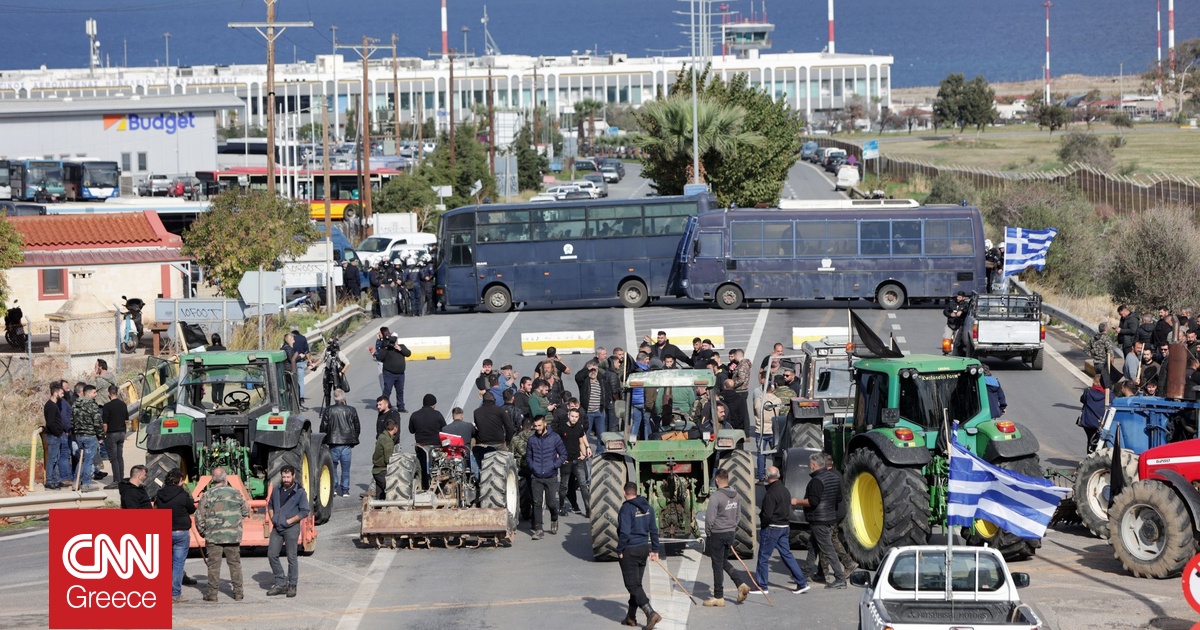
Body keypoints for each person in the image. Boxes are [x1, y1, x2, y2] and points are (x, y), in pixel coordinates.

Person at [751, 466, 810, 595]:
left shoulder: (770, 494)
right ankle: (802, 582)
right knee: (787, 555)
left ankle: (762, 585)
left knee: (763, 557)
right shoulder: (785, 490)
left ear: (767, 477)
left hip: (772, 528)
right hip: (784, 527)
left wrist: (764, 525)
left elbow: (766, 515)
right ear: (778, 476)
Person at [793, 453, 847, 589]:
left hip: (819, 520)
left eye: (809, 464)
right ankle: (804, 574)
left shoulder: (816, 481)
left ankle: (840, 578)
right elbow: (839, 498)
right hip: (829, 518)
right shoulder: (834, 477)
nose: (808, 467)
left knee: (828, 550)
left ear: (814, 465)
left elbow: (813, 501)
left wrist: (797, 501)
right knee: (813, 547)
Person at [197, 467, 250, 602]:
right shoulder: (236, 493)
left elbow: (199, 516)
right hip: (232, 536)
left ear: (212, 480)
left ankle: (212, 594)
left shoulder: (207, 495)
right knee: (235, 565)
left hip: (213, 537)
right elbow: (246, 511)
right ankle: (238, 593)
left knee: (213, 566)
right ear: (225, 478)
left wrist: (204, 532)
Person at [616, 481, 663, 629]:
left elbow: (624, 532)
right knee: (637, 584)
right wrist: (655, 550)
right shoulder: (647, 507)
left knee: (632, 585)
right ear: (636, 492)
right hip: (643, 549)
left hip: (630, 549)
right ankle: (631, 617)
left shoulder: (626, 509)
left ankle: (650, 613)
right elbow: (654, 530)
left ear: (625, 493)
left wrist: (620, 549)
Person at [702, 468, 751, 607]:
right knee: (722, 561)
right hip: (730, 533)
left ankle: (718, 596)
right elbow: (738, 516)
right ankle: (740, 584)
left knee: (717, 565)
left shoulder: (716, 497)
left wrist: (708, 533)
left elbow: (709, 519)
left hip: (718, 534)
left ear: (717, 481)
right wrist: (731, 528)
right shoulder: (736, 495)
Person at [267, 465, 310, 598]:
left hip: (291, 528)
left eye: (288, 476)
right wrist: (273, 517)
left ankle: (292, 585)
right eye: (284, 477)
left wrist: (289, 521)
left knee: (291, 557)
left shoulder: (300, 492)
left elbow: (304, 511)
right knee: (272, 555)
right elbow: (270, 505)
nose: (286, 479)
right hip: (277, 528)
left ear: (293, 476)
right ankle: (280, 582)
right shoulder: (276, 489)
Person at [155, 468, 196, 603]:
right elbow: (191, 509)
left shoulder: (159, 494)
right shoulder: (183, 495)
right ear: (180, 481)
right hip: (180, 532)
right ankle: (174, 594)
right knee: (178, 564)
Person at [526, 416, 566, 540]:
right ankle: (539, 529)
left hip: (551, 476)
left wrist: (554, 465)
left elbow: (564, 454)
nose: (537, 428)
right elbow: (528, 456)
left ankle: (554, 518)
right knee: (537, 503)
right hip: (536, 476)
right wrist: (532, 466)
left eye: (539, 425)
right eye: (535, 426)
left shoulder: (555, 438)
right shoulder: (532, 440)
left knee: (551, 503)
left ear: (544, 424)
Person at [321, 389, 360, 498]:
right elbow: (357, 427)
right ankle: (345, 490)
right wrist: (354, 439)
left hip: (333, 443)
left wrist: (324, 441)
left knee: (332, 467)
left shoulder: (329, 410)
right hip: (347, 443)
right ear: (343, 398)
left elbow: (324, 427)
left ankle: (333, 488)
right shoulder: (351, 410)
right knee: (346, 469)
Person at [557, 408, 591, 516]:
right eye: (572, 416)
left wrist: (584, 454)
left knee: (583, 485)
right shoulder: (561, 428)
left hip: (577, 461)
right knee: (564, 486)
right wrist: (559, 456)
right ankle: (561, 507)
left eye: (576, 417)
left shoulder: (579, 428)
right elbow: (556, 442)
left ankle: (588, 508)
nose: (574, 419)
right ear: (568, 415)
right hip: (566, 462)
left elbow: (581, 441)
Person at [71, 384, 103, 491]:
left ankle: (76, 482)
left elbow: (72, 420)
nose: (96, 394)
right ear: (88, 393)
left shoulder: (75, 404)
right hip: (90, 436)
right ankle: (86, 484)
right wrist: (101, 435)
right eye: (94, 392)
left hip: (79, 435)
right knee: (88, 460)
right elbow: (97, 422)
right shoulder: (92, 405)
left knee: (82, 459)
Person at [577, 360, 613, 452]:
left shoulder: (601, 382)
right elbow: (578, 377)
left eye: (595, 370)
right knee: (586, 434)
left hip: (599, 412)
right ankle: (584, 451)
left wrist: (606, 404)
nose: (593, 372)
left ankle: (600, 452)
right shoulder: (585, 382)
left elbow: (608, 393)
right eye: (591, 370)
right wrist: (587, 369)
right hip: (588, 412)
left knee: (601, 434)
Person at [473, 391, 515, 463]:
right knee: (508, 463)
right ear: (493, 400)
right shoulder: (500, 410)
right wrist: (508, 441)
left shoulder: (476, 412)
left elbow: (478, 427)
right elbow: (510, 428)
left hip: (483, 444)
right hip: (499, 443)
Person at [99, 385, 127, 489]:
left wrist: (103, 434)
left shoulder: (107, 406)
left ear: (108, 393)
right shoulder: (123, 404)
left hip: (112, 434)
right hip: (121, 433)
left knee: (113, 458)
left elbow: (105, 423)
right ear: (118, 393)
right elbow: (126, 420)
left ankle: (116, 481)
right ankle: (121, 479)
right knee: (120, 457)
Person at [43, 382, 68, 490]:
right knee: (52, 460)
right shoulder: (51, 406)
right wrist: (57, 433)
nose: (63, 395)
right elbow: (51, 423)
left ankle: (57, 480)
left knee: (56, 459)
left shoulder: (54, 405)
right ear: (55, 393)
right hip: (53, 436)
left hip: (56, 436)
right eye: (61, 393)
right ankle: (49, 481)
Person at [511, 417, 535, 522]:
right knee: (534, 491)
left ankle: (521, 511)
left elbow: (510, 454)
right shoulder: (536, 438)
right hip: (533, 468)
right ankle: (535, 514)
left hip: (519, 468)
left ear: (521, 427)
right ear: (532, 427)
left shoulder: (515, 439)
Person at [380, 334, 412, 412]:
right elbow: (380, 357)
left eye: (395, 339)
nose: (394, 342)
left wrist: (400, 349)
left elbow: (408, 353)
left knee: (400, 391)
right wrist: (385, 347)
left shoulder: (402, 346)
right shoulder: (387, 349)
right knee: (387, 390)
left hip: (400, 374)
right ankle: (383, 406)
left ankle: (401, 407)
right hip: (389, 374)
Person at [372, 420, 399, 500]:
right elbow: (388, 460)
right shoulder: (388, 440)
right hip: (382, 471)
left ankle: (377, 509)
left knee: (380, 495)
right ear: (395, 428)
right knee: (391, 492)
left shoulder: (382, 436)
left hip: (376, 470)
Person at [1080, 374, 1107, 452]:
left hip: (1088, 421)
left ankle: (1090, 455)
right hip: (1102, 422)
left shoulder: (1088, 391)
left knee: (1090, 440)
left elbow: (1082, 400)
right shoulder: (1109, 394)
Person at [1088, 322, 1116, 390]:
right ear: (1106, 329)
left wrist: (1094, 355)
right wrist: (1111, 362)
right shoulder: (1106, 338)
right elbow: (1110, 351)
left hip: (1096, 364)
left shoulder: (1093, 338)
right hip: (1104, 364)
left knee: (1098, 381)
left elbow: (1087, 349)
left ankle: (1096, 393)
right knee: (1106, 385)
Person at [943, 291, 968, 356]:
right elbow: (945, 311)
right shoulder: (951, 303)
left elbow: (967, 311)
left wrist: (962, 312)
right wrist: (950, 314)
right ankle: (946, 352)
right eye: (958, 296)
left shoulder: (965, 304)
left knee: (957, 342)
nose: (958, 298)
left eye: (960, 297)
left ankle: (955, 354)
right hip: (950, 324)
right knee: (946, 339)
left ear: (963, 298)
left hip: (959, 325)